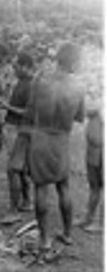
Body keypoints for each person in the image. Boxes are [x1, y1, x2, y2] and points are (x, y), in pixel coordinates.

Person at [27, 42, 85, 253]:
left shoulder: (40, 79)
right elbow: (79, 116)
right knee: (64, 187)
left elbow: (31, 107)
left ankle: (44, 239)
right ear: (74, 61)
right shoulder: (79, 86)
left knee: (41, 188)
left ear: (58, 58)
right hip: (61, 140)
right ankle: (67, 234)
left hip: (41, 138)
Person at [0, 51, 34, 214]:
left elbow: (28, 112)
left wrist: (6, 107)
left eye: (16, 66)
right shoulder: (21, 82)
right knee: (21, 168)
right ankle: (26, 201)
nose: (14, 69)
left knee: (13, 169)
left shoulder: (30, 85)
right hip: (15, 128)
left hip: (18, 129)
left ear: (25, 66)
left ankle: (14, 209)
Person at [75, 102, 104, 232]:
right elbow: (86, 111)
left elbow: (94, 108)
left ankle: (102, 224)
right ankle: (88, 217)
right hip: (94, 153)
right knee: (94, 187)